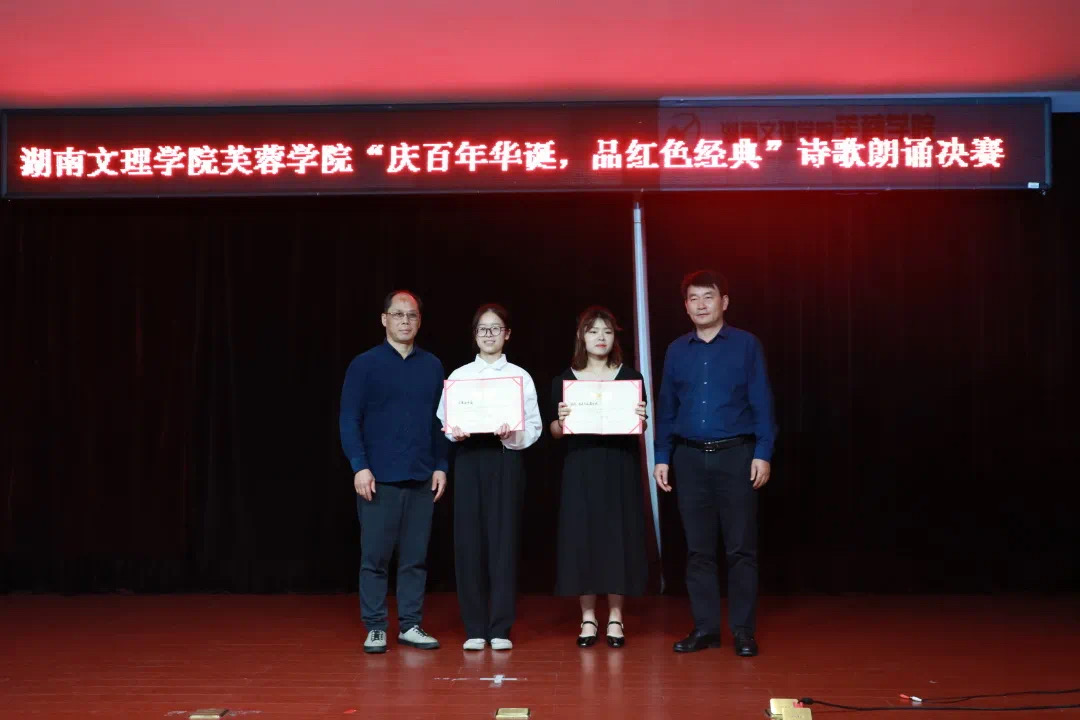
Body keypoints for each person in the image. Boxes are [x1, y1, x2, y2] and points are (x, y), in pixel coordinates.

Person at [653, 270, 777, 657]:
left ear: (724, 301)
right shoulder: (677, 350)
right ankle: (705, 629)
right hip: (689, 458)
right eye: (693, 298)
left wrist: (763, 452)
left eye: (708, 297)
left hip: (736, 455)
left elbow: (763, 402)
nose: (701, 305)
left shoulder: (746, 345)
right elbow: (666, 409)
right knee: (698, 550)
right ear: (685, 306)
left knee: (740, 549)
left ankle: (743, 631)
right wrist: (662, 456)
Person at [339, 290, 449, 654]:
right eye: (398, 314)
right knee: (375, 558)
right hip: (377, 478)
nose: (405, 321)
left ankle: (410, 625)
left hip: (421, 476)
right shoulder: (364, 365)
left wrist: (441, 465)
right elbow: (349, 419)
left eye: (412, 315)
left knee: (415, 558)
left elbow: (440, 422)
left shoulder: (432, 366)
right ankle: (375, 627)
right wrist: (360, 466)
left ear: (420, 321)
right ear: (384, 319)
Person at [436, 304, 542, 651]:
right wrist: (455, 431)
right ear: (475, 335)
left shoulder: (519, 377)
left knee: (503, 541)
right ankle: (474, 628)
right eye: (483, 329)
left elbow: (534, 427)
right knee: (469, 542)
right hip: (469, 459)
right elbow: (445, 421)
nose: (489, 335)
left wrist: (511, 434)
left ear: (507, 334)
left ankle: (500, 627)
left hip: (504, 458)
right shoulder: (460, 375)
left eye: (496, 328)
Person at [551, 306, 649, 648]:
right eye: (593, 331)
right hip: (581, 468)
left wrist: (641, 419)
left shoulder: (630, 378)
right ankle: (589, 617)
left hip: (619, 466)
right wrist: (561, 421)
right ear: (582, 336)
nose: (600, 337)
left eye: (607, 331)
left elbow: (640, 427)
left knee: (618, 537)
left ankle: (616, 617)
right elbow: (554, 431)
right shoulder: (565, 380)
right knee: (583, 538)